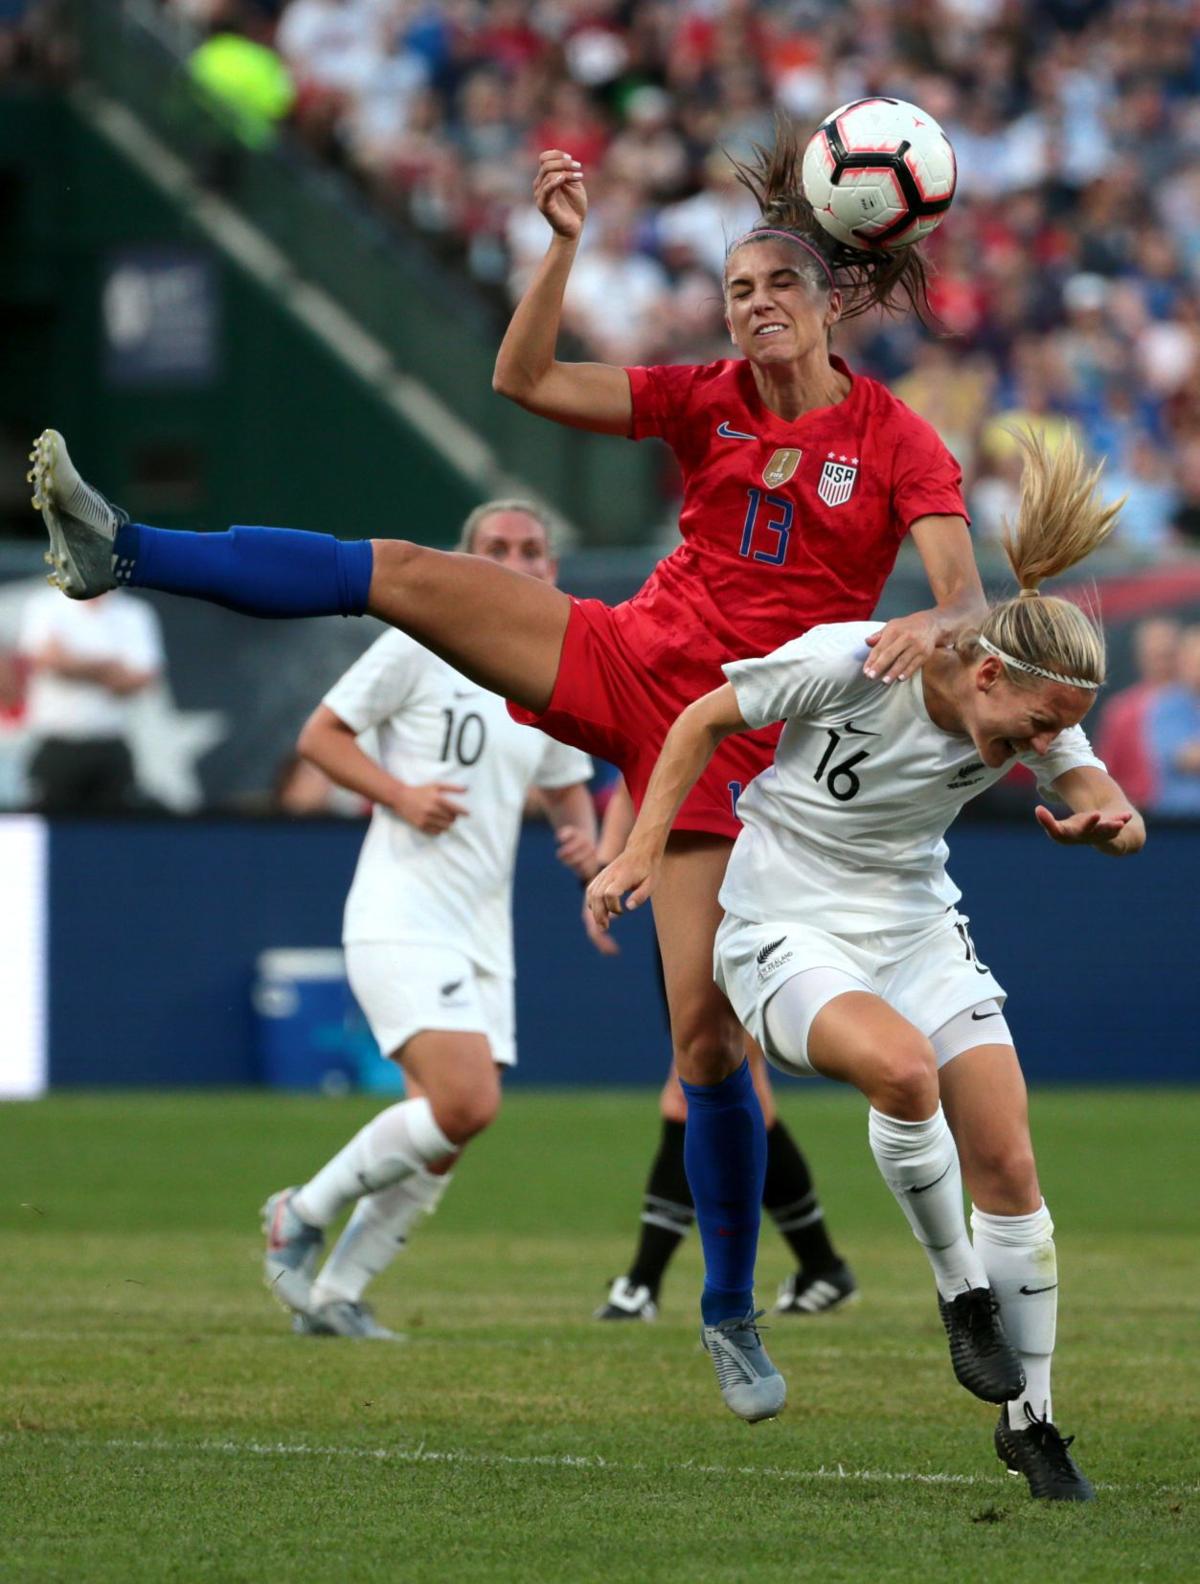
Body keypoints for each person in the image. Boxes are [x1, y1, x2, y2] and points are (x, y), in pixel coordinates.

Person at [28, 121, 987, 1420]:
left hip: (735, 742)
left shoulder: (895, 445)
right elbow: (522, 378)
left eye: (777, 289)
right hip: (620, 654)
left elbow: (963, 600)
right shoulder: (703, 396)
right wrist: (563, 246)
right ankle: (126, 549)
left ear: (829, 306)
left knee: (705, 1047)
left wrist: (940, 624)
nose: (754, 306)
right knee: (407, 575)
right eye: (738, 289)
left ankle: (725, 1311)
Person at [585, 433, 1143, 1500]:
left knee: (1012, 1164)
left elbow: (1111, 809)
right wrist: (643, 848)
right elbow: (703, 716)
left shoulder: (1035, 709)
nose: (1041, 744)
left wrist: (1105, 828)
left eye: (1055, 732)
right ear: (985, 672)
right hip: (783, 921)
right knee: (901, 1073)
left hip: (915, 923)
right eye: (1035, 725)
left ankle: (1033, 1423)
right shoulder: (857, 660)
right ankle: (958, 1293)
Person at [262, 500, 596, 1339]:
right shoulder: (420, 639)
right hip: (403, 910)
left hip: (485, 928)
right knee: (465, 1102)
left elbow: (563, 782)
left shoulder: (550, 671)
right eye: (496, 549)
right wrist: (400, 793)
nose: (516, 562)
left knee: (442, 1135)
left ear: (552, 569)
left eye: (532, 550)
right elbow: (321, 736)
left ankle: (337, 1294)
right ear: (464, 559)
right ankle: (300, 1212)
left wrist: (585, 836)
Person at [588, 778, 856, 1322]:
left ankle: (642, 1283)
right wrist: (607, 863)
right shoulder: (683, 710)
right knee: (730, 1088)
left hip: (751, 903)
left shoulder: (759, 701)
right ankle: (822, 1266)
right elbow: (632, 781)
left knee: (703, 1085)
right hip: (686, 903)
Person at [17, 585, 163, 812]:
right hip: (58, 746)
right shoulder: (45, 603)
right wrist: (109, 667)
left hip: (111, 747)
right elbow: (45, 659)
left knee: (114, 834)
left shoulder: (135, 612)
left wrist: (72, 663)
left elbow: (142, 679)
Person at [1094, 616, 1180, 808]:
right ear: (1140, 657)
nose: (1162, 663)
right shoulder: (1121, 712)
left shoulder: (1193, 705)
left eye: (1168, 654)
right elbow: (1106, 775)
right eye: (1155, 655)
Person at [1145, 623, 1200, 816]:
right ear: (1182, 662)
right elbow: (1185, 758)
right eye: (1194, 660)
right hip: (1177, 823)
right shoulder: (1165, 707)